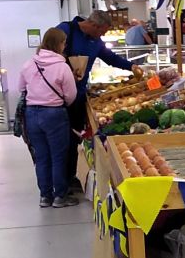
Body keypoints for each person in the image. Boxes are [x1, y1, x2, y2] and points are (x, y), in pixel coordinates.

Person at [56, 10, 135, 187]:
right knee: (61, 141)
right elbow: (48, 52)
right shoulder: (66, 30)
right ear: (93, 25)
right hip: (58, 98)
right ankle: (59, 184)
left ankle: (69, 179)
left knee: (74, 139)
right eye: (102, 31)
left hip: (78, 97)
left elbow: (111, 58)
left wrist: (132, 66)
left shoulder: (95, 41)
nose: (103, 36)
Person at [17, 27, 78, 209]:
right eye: (64, 42)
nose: (65, 45)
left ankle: (45, 196)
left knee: (41, 157)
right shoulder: (62, 67)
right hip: (54, 114)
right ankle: (60, 196)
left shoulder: (29, 64)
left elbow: (21, 88)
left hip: (32, 114)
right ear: (59, 44)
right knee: (59, 157)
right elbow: (71, 95)